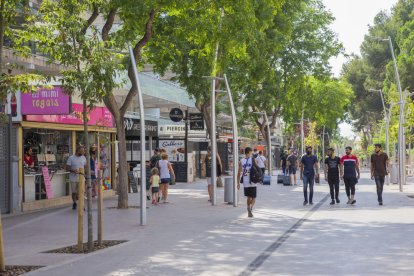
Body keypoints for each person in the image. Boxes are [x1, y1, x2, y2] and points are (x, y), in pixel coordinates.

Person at [237, 147, 259, 218]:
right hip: (252, 181)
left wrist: (238, 183)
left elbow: (238, 173)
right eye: (251, 152)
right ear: (249, 152)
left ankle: (248, 207)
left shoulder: (241, 161)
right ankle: (251, 207)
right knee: (254, 197)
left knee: (248, 197)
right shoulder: (253, 159)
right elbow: (257, 169)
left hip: (245, 181)